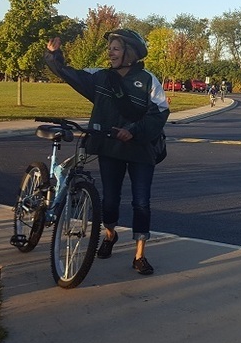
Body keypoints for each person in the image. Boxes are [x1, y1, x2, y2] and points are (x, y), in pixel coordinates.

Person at [45, 29, 169, 276]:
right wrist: (53, 55)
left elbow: (160, 112)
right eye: (110, 48)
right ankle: (110, 235)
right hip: (110, 148)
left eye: (116, 48)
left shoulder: (148, 80)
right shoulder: (100, 77)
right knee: (110, 200)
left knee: (141, 202)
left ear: (129, 53)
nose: (110, 53)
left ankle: (139, 255)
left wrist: (133, 131)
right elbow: (69, 73)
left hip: (141, 150)